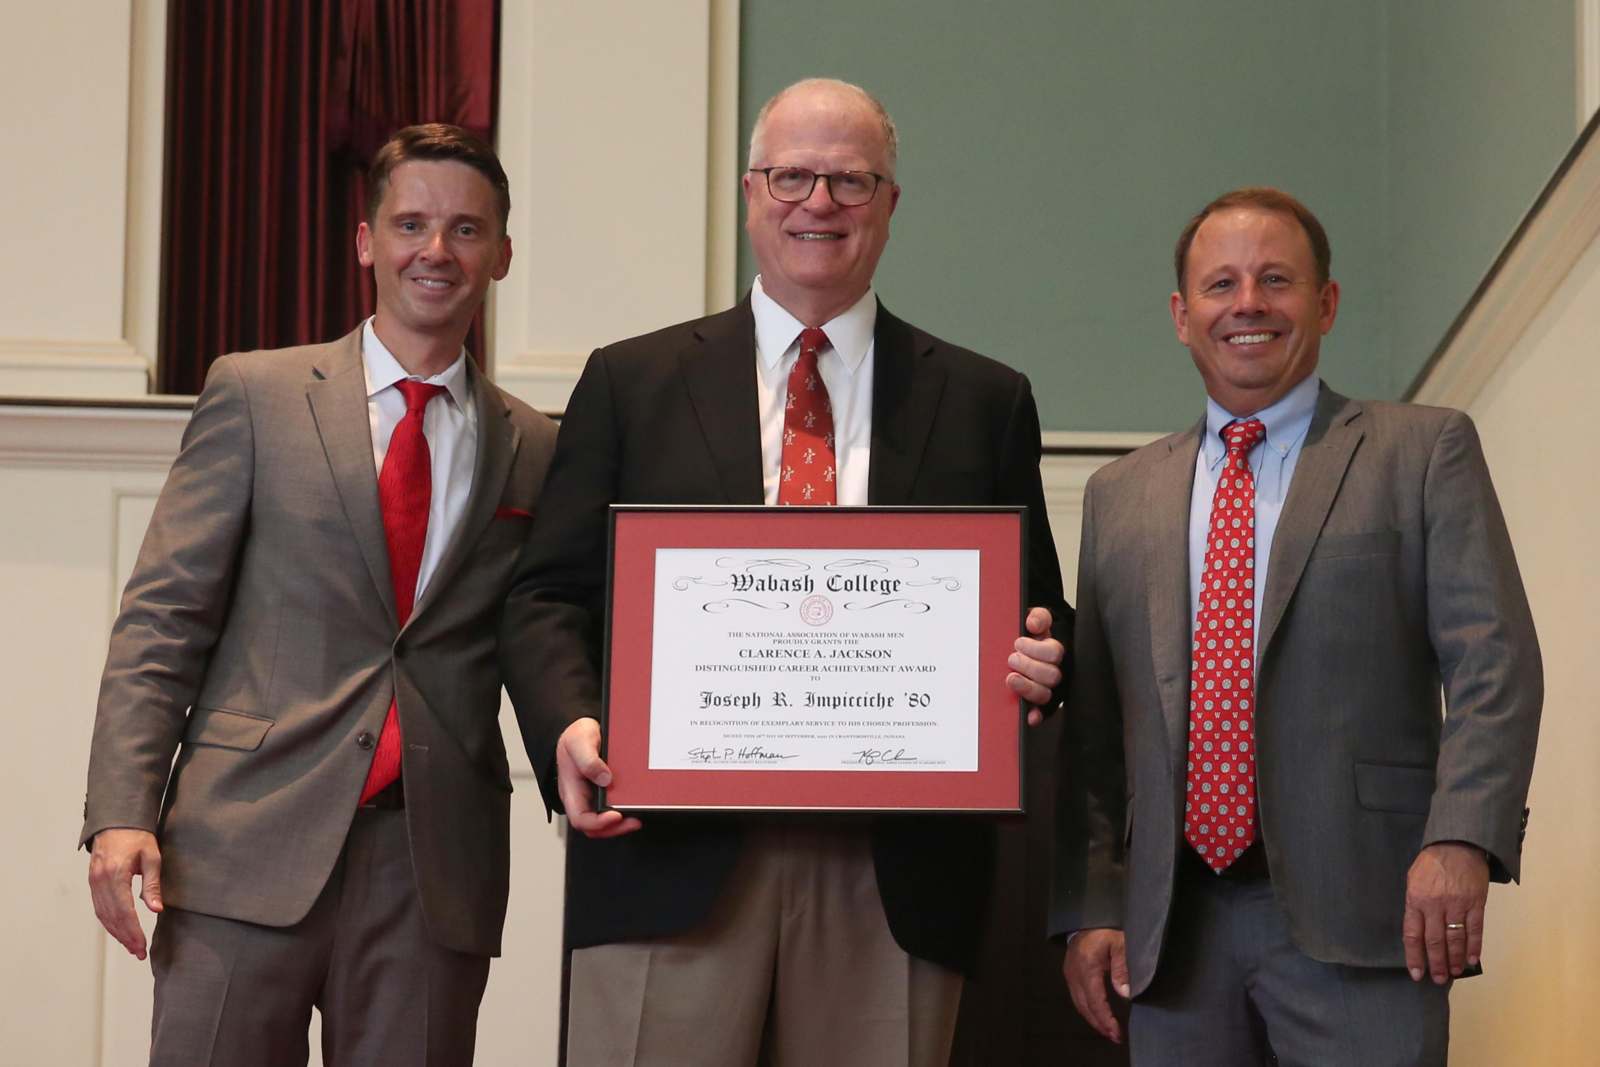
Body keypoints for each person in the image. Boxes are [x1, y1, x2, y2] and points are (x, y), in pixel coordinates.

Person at [500, 78, 1070, 1066]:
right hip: (664, 854)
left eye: (850, 180)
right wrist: (572, 722)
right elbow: (547, 595)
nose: (819, 203)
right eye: (793, 176)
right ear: (750, 192)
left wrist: (1038, 659)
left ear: (890, 202)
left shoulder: (984, 399)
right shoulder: (630, 383)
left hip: (894, 873)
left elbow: (1035, 609)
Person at [81, 123, 557, 1066]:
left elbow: (541, 635)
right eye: (411, 222)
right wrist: (121, 808)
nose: (436, 250)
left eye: (466, 230)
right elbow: (164, 618)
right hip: (239, 846)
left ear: (501, 255)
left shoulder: (536, 444)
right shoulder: (255, 395)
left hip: (432, 871)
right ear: (365, 240)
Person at [1051, 186, 1543, 1065]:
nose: (1248, 304)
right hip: (1173, 930)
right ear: (1180, 314)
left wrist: (1461, 837)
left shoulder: (1421, 452)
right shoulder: (1119, 496)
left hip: (1371, 908)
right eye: (1221, 284)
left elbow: (1494, 667)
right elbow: (1097, 734)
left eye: (1276, 279)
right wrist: (1094, 901)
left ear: (1326, 302)